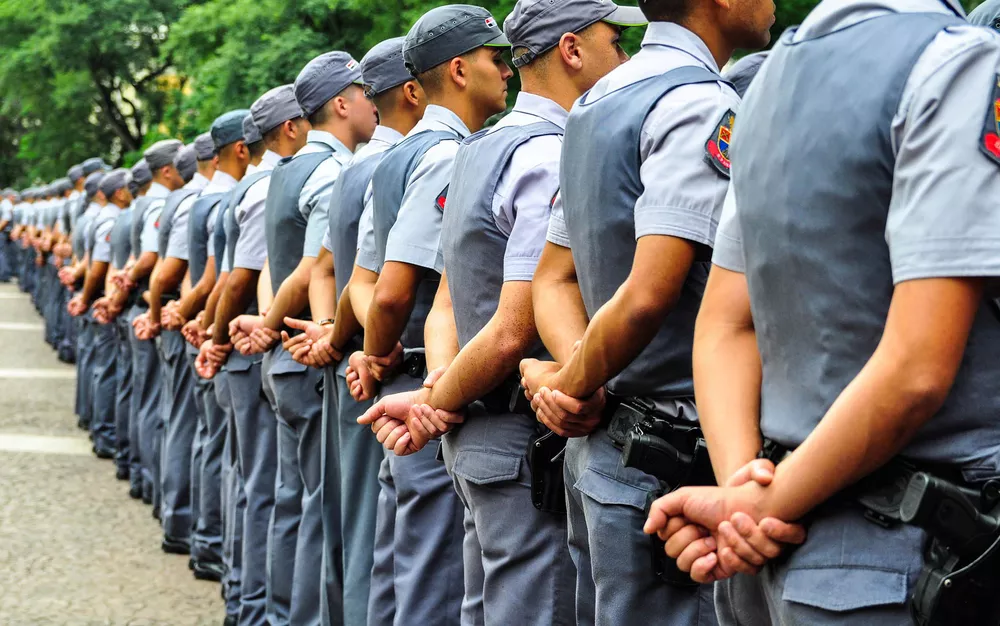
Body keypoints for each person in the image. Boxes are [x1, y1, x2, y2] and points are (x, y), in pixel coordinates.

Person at [643, 0, 1000, 624]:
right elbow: (916, 368)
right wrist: (758, 506)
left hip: (784, 559)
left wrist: (741, 493)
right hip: (918, 562)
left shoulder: (770, 83)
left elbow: (727, 324)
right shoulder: (960, 61)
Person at [359, 1, 641, 621]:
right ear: (572, 50)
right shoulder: (543, 155)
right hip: (521, 434)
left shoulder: (479, 148)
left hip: (481, 431)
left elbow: (447, 307)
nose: (625, 55)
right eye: (615, 41)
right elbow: (515, 328)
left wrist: (439, 389)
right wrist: (439, 401)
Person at [515, 0, 775, 622]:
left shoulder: (592, 104)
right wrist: (575, 386)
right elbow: (648, 293)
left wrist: (575, 381)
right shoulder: (698, 103)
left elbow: (553, 279)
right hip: (668, 460)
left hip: (604, 446)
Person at [341, 6, 511, 624]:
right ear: (461, 69)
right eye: (497, 59)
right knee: (434, 583)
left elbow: (359, 286)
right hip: (431, 387)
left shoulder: (393, 157)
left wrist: (371, 350)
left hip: (408, 380)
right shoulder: (445, 156)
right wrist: (383, 349)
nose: (509, 71)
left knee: (400, 566)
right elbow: (388, 292)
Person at [280, 36, 426, 626]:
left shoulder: (349, 169)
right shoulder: (391, 163)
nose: (365, 104)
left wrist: (332, 337)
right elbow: (368, 285)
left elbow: (328, 272)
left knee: (343, 520)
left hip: (355, 358)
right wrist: (356, 344)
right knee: (379, 540)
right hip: (388, 365)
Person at [230, 50, 374, 626]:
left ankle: (274, 613)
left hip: (283, 357)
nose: (372, 102)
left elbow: (270, 266)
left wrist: (267, 321)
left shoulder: (283, 169)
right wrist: (279, 326)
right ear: (341, 104)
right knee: (322, 508)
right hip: (306, 356)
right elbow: (312, 270)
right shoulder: (329, 171)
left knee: (295, 502)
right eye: (362, 92)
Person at [200, 84, 308, 626]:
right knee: (270, 490)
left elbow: (233, 276)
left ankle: (245, 597)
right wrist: (218, 337)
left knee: (251, 481)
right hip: (252, 348)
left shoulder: (254, 185)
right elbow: (240, 276)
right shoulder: (271, 185)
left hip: (245, 341)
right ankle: (256, 607)